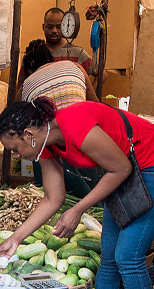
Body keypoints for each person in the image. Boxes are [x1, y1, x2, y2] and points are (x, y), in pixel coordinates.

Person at [0, 98, 154, 289]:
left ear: (29, 135)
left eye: (15, 149)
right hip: (127, 173)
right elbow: (52, 198)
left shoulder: (75, 124)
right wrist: (15, 239)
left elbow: (121, 169)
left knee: (128, 257)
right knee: (109, 258)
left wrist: (77, 209)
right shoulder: (44, 144)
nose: (15, 155)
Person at [17, 39, 102, 199]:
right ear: (50, 59)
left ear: (29, 69)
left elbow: (15, 114)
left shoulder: (28, 83)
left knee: (51, 197)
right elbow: (95, 105)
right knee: (89, 196)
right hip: (82, 136)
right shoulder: (75, 67)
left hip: (50, 144)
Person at [17, 39, 99, 107]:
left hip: (51, 125)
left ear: (29, 71)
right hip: (80, 122)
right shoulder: (76, 67)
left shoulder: (27, 84)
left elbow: (13, 113)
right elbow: (97, 106)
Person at [41, 8, 96, 78]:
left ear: (64, 26)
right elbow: (22, 84)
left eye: (58, 27)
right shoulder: (35, 54)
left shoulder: (77, 53)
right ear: (43, 27)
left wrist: (89, 89)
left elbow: (102, 75)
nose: (54, 30)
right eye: (50, 27)